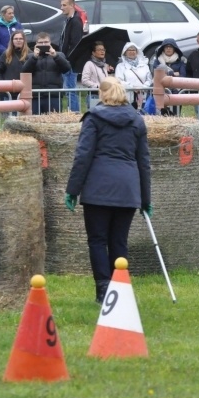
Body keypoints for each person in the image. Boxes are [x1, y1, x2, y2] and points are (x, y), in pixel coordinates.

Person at [65, 77, 151, 304]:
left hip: (98, 189)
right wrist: (145, 199)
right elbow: (143, 162)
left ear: (102, 95)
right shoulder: (137, 120)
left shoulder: (93, 118)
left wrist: (72, 190)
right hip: (127, 189)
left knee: (97, 240)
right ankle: (120, 289)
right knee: (119, 241)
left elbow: (83, 157)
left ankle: (103, 291)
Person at [21, 32, 71, 115]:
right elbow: (25, 71)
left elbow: (67, 69)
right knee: (35, 122)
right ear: (36, 44)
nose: (43, 44)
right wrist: (34, 57)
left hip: (54, 95)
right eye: (40, 43)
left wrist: (55, 56)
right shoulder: (30, 56)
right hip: (35, 96)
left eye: (46, 42)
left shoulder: (59, 55)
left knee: (54, 121)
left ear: (50, 43)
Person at [59, 0, 84, 113]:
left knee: (70, 90)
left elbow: (76, 44)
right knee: (67, 89)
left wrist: (67, 59)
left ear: (72, 5)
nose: (62, 7)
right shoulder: (67, 20)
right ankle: (72, 111)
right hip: (65, 60)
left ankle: (74, 113)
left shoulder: (76, 21)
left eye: (64, 5)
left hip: (70, 62)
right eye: (61, 5)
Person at [151, 38, 187, 117]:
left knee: (175, 116)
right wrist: (173, 73)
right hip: (162, 92)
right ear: (163, 49)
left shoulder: (180, 62)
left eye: (171, 47)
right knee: (162, 117)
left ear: (174, 48)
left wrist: (166, 73)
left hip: (176, 92)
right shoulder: (157, 61)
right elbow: (157, 75)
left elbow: (182, 76)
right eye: (166, 47)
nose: (168, 48)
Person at [114, 42, 153, 111]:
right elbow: (118, 81)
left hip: (143, 96)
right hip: (127, 98)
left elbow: (149, 79)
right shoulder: (120, 66)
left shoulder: (144, 65)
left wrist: (143, 87)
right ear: (125, 52)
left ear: (137, 52)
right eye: (129, 50)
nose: (132, 52)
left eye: (133, 50)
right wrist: (132, 87)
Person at [0, 29, 28, 103]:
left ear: (24, 41)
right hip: (8, 93)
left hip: (24, 92)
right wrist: (3, 86)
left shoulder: (30, 54)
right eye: (16, 39)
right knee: (9, 114)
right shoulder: (6, 54)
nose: (18, 40)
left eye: (20, 39)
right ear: (12, 41)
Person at [81, 40, 114, 108]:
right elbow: (84, 80)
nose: (102, 51)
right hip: (94, 96)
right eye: (99, 50)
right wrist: (97, 86)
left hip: (106, 95)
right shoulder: (89, 64)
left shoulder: (105, 65)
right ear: (93, 52)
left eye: (103, 49)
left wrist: (110, 72)